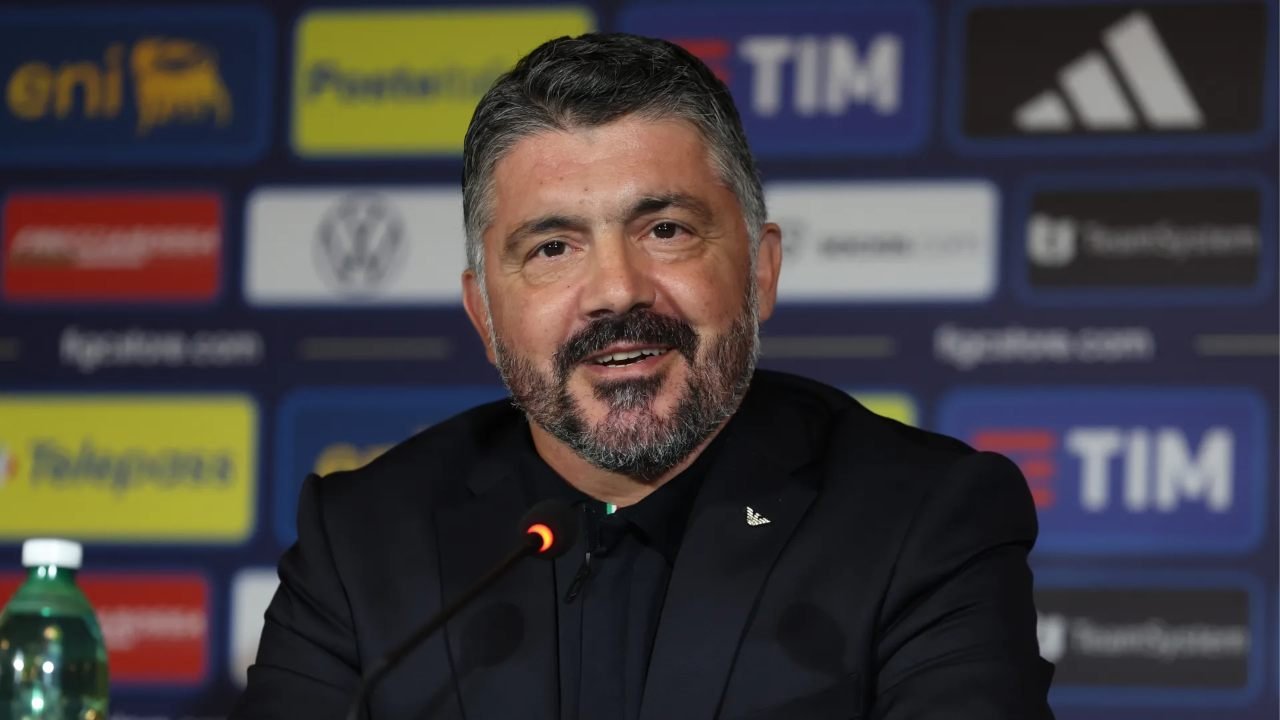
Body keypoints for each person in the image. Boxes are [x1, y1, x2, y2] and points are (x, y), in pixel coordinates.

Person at [231, 33, 1054, 720]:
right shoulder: (361, 543)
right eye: (553, 248)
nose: (617, 290)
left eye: (665, 230)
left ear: (760, 270)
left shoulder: (923, 523)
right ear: (483, 314)